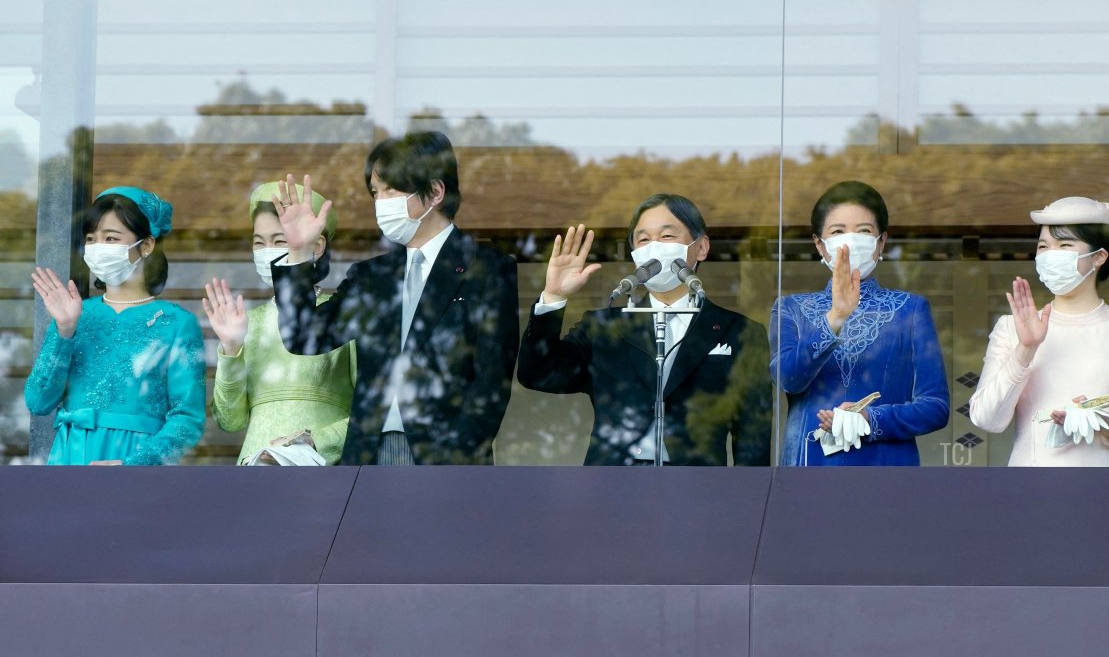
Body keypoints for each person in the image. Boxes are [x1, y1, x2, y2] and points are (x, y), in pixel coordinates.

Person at [270, 131, 519, 465]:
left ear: (434, 192)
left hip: (448, 460)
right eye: (375, 192)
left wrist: (458, 458)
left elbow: (491, 383)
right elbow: (305, 336)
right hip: (369, 455)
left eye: (391, 189)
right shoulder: (372, 276)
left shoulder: (487, 270)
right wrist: (299, 252)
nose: (380, 202)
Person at [517, 193, 771, 466]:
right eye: (644, 240)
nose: (655, 248)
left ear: (701, 247)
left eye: (667, 236)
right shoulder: (604, 327)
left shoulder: (740, 331)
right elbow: (539, 375)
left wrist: (747, 501)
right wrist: (554, 296)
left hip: (698, 490)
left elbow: (753, 437)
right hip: (612, 488)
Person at [969, 196, 1109, 465]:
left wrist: (1107, 423)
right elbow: (986, 419)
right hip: (1032, 488)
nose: (1050, 255)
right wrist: (1026, 349)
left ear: (1099, 257)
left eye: (1065, 245)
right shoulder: (1012, 327)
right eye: (1043, 246)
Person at [770, 180, 949, 466]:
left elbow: (936, 408)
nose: (850, 240)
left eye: (864, 231)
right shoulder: (792, 309)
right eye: (838, 231)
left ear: (882, 242)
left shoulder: (910, 309)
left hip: (886, 468)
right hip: (809, 465)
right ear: (819, 244)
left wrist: (871, 418)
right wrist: (835, 318)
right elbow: (788, 379)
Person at [25, 186, 206, 465]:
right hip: (70, 457)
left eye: (111, 238)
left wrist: (136, 465)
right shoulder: (75, 314)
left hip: (134, 462)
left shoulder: (177, 323)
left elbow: (188, 419)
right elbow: (38, 402)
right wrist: (64, 330)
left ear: (146, 245)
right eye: (91, 239)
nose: (98, 248)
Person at [204, 182, 356, 465]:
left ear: (317, 244)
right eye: (258, 242)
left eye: (279, 240)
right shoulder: (247, 321)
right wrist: (230, 348)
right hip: (254, 466)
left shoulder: (343, 313)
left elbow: (372, 411)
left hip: (322, 467)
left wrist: (313, 442)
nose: (266, 251)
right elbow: (229, 421)